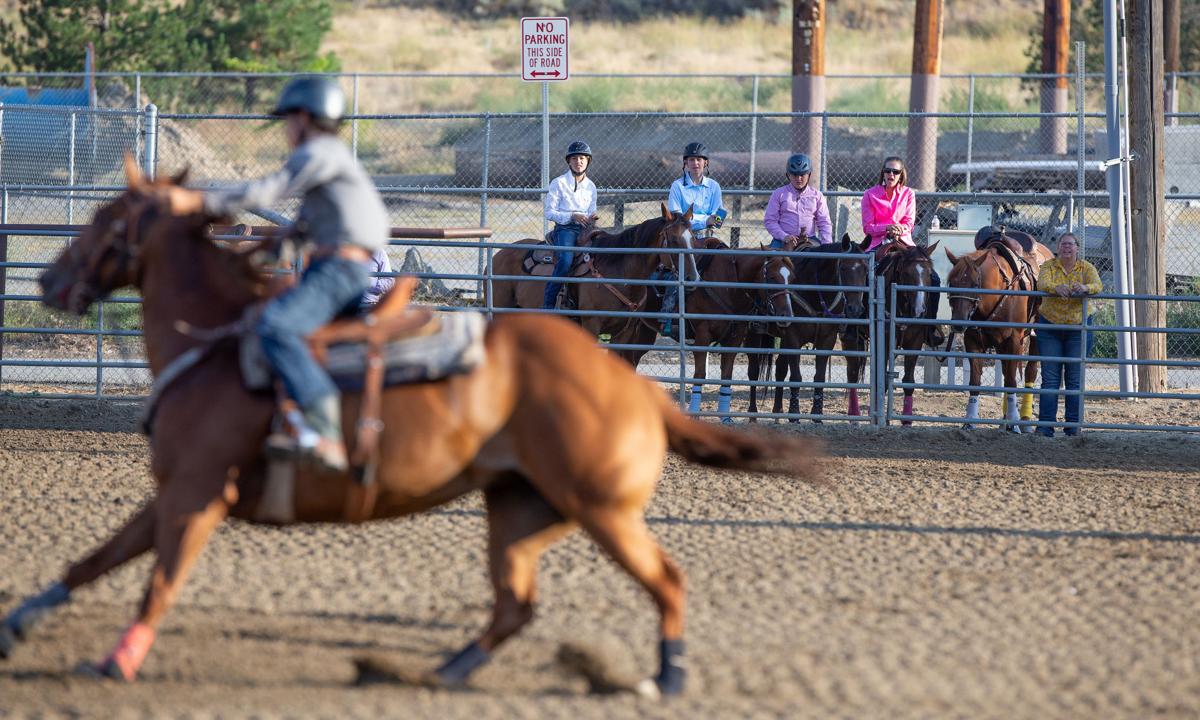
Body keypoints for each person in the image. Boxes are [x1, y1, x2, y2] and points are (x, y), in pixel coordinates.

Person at [171, 76, 389, 472]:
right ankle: (288, 420)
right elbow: (300, 230)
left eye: (289, 119)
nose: (287, 129)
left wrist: (196, 200)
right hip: (340, 265)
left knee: (274, 326)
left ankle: (324, 430)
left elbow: (265, 192)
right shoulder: (331, 162)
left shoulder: (318, 153)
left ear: (305, 117)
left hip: (338, 269)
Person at [861, 156, 943, 347]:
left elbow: (909, 222)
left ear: (901, 175)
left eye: (895, 172)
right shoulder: (870, 194)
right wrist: (887, 228)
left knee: (935, 279)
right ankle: (858, 323)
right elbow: (868, 226)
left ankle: (929, 327)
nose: (891, 174)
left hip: (904, 244)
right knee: (861, 274)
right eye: (888, 171)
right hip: (878, 243)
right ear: (882, 172)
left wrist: (898, 229)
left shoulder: (908, 194)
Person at [1034, 233, 1102, 438]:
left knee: (1074, 379)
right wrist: (1056, 288)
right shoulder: (1048, 266)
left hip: (1077, 327)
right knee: (1050, 378)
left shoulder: (1086, 268)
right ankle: (1045, 426)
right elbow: (1042, 283)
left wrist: (1084, 288)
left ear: (1077, 248)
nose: (1067, 248)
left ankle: (1073, 427)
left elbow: (1097, 285)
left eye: (1070, 245)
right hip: (1050, 325)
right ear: (1057, 247)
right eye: (1063, 244)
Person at [542, 140, 598, 310]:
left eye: (582, 158)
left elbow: (591, 210)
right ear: (569, 161)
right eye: (574, 158)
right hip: (565, 228)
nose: (578, 161)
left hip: (586, 229)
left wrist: (592, 217)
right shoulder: (558, 183)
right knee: (565, 261)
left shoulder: (591, 186)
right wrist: (572, 216)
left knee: (605, 254)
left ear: (588, 161)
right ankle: (548, 305)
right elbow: (549, 212)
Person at [763, 153, 832, 249]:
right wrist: (784, 236)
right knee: (774, 259)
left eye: (802, 175)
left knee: (820, 261)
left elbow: (824, 222)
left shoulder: (817, 196)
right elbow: (770, 221)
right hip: (782, 240)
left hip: (810, 239)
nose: (799, 179)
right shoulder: (778, 194)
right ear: (788, 175)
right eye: (795, 175)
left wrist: (827, 245)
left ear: (809, 175)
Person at [667, 142, 724, 235]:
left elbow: (718, 217)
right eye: (691, 159)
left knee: (722, 248)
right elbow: (677, 220)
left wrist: (716, 219)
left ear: (705, 162)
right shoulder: (677, 186)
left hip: (708, 234)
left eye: (699, 159)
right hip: (683, 236)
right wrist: (705, 221)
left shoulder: (714, 186)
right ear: (686, 162)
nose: (695, 163)